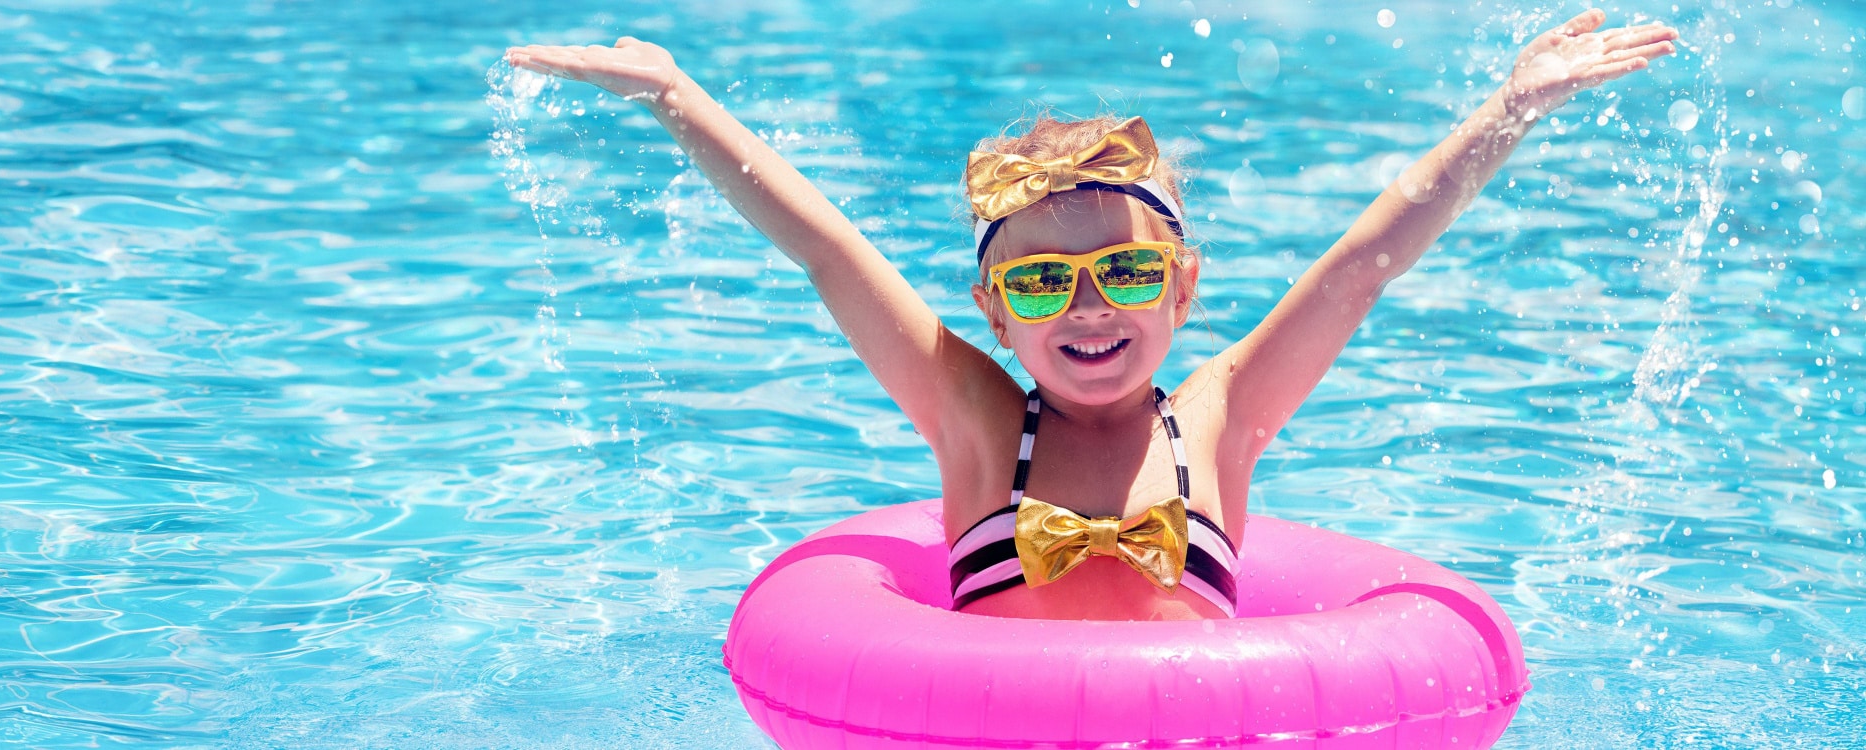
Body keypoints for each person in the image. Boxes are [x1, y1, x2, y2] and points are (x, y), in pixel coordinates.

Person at [505, 9, 1678, 621]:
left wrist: (1512, 109)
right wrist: (677, 98)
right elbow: (827, 252)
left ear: (1181, 286)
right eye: (1037, 283)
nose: (1083, 309)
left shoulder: (1217, 421)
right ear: (992, 311)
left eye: (1120, 273)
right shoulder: (974, 421)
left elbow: (1363, 263)